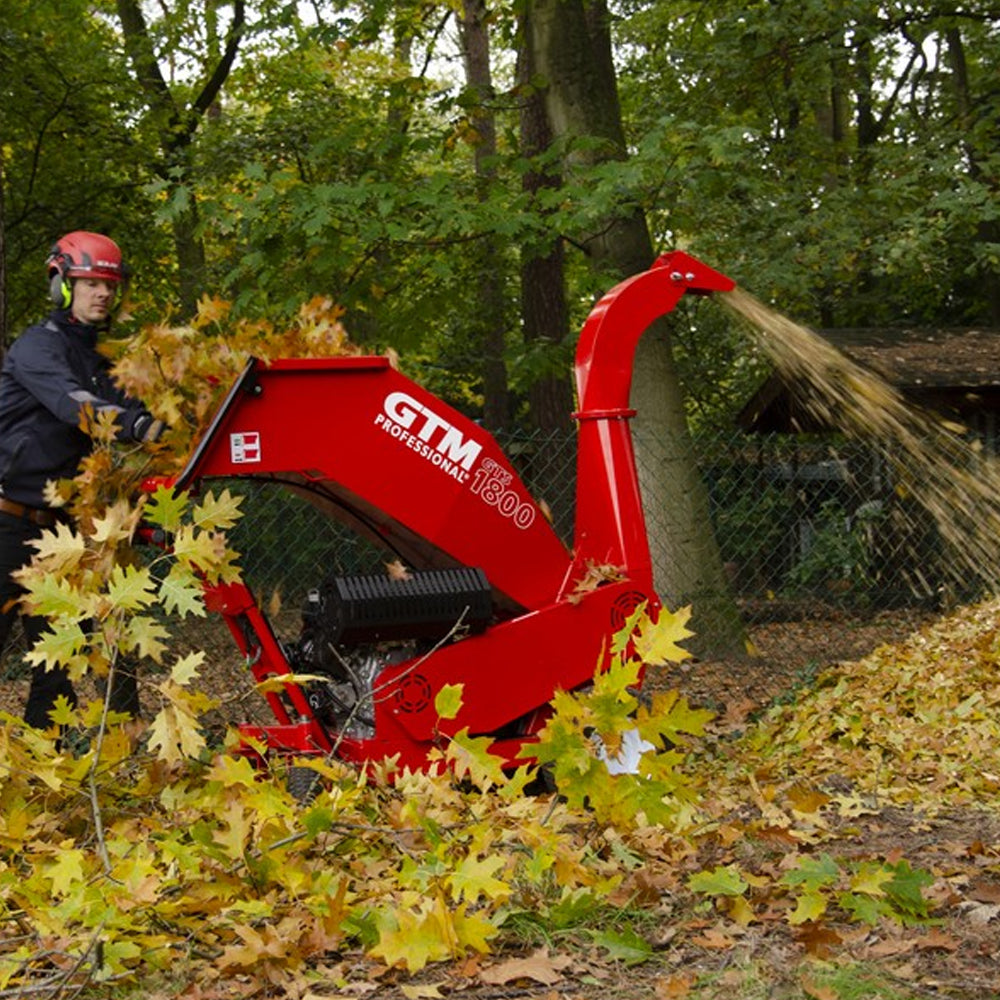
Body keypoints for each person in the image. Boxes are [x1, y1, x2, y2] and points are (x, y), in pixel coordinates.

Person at [0, 231, 164, 730]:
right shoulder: (36, 348)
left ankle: (41, 778)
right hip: (5, 523)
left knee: (58, 661)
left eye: (109, 286)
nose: (102, 294)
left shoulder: (108, 362)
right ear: (62, 284)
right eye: (90, 282)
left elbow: (144, 416)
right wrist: (134, 426)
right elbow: (73, 403)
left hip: (62, 535)